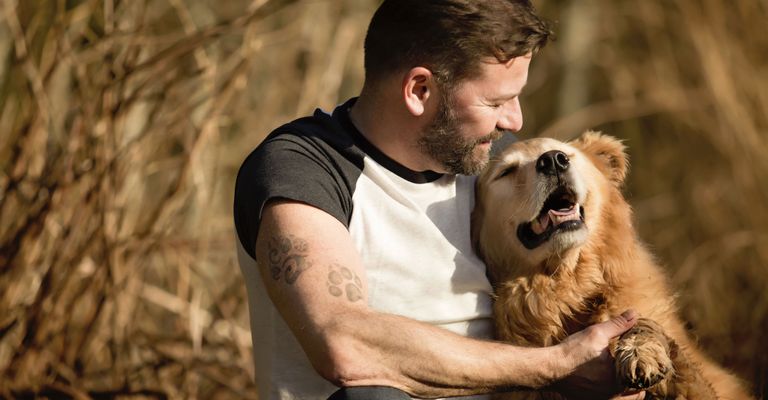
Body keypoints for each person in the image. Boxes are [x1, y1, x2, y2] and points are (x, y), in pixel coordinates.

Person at [234, 1, 644, 399]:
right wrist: (555, 367)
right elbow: (344, 344)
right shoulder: (303, 169)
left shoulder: (498, 161)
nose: (514, 121)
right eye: (495, 102)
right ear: (420, 89)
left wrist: (609, 369)